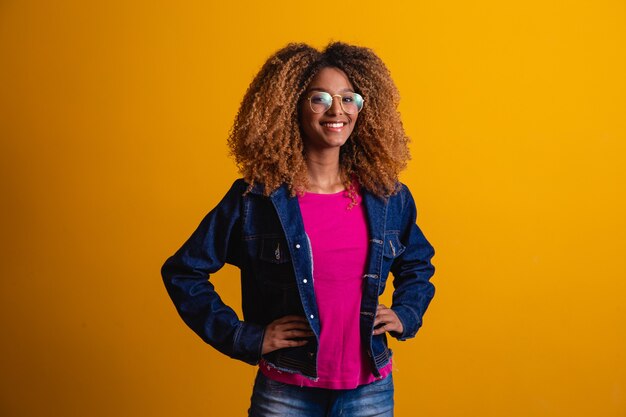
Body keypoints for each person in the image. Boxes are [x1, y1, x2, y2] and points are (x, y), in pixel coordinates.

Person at [161, 42, 435, 417]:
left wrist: (407, 312)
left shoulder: (387, 197)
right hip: (286, 391)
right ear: (291, 105)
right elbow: (184, 271)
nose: (337, 111)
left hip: (369, 390)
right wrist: (248, 337)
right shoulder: (255, 198)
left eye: (348, 98)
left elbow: (418, 263)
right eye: (319, 99)